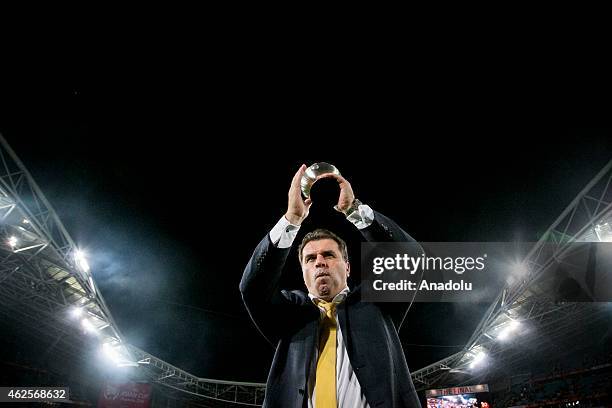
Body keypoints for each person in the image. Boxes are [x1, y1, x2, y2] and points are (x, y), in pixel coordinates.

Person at [240, 164, 422, 407]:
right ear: (303, 271)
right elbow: (251, 287)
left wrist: (354, 211)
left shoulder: (377, 301)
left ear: (347, 266)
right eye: (310, 258)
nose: (320, 263)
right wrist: (291, 220)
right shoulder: (288, 313)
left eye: (329, 255)